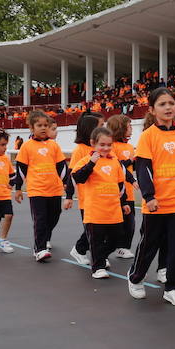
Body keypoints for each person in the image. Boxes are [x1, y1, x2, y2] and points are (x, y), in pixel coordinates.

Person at [128, 88, 175, 306]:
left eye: (171, 103)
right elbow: (143, 168)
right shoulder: (148, 136)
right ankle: (135, 277)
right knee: (149, 243)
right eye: (163, 104)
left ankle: (172, 288)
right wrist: (149, 196)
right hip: (156, 203)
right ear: (152, 110)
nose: (168, 108)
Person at [71, 126, 130, 279]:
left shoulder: (114, 161)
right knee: (96, 241)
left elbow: (120, 184)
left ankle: (100, 256)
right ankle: (98, 267)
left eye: (109, 145)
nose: (106, 148)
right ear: (93, 143)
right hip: (95, 210)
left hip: (113, 210)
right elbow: (78, 178)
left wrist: (124, 202)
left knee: (116, 238)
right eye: (102, 145)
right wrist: (91, 163)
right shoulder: (86, 161)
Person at [14, 111, 70, 262]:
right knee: (40, 219)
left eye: (46, 125)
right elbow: (21, 169)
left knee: (54, 216)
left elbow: (61, 167)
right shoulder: (26, 146)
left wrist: (66, 183)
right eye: (39, 125)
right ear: (32, 128)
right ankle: (40, 248)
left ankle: (43, 239)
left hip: (54, 189)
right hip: (36, 190)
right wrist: (18, 188)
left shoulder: (54, 145)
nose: (43, 128)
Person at [66, 113, 104, 266]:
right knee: (93, 230)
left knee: (102, 228)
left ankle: (99, 254)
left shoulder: (102, 147)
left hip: (103, 196)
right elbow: (72, 176)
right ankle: (80, 249)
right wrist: (69, 196)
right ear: (91, 129)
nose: (104, 128)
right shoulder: (80, 150)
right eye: (101, 126)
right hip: (87, 199)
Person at [106, 114, 138, 260]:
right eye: (128, 126)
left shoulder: (130, 146)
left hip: (129, 192)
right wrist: (130, 161)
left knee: (130, 223)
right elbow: (117, 166)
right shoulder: (111, 146)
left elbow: (132, 166)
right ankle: (112, 246)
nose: (131, 128)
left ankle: (123, 247)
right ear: (120, 128)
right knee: (116, 223)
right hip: (117, 192)